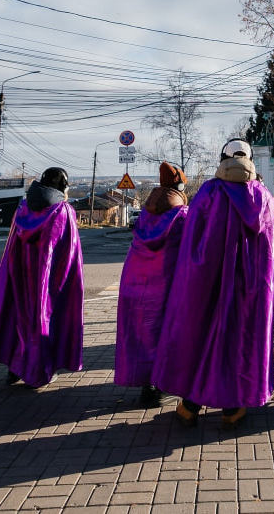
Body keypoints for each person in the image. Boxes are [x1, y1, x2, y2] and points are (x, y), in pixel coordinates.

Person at [152, 140, 274, 429]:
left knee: (201, 337)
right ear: (250, 160)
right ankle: (232, 408)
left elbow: (191, 242)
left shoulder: (209, 193)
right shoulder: (263, 198)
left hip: (205, 284)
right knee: (240, 342)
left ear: (222, 159)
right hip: (250, 289)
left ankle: (190, 405)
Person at [0, 167, 84, 388]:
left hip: (19, 274)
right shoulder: (62, 210)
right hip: (48, 280)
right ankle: (37, 370)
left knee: (17, 317)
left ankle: (15, 368)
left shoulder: (22, 207)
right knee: (43, 320)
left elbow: (13, 245)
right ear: (62, 188)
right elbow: (69, 252)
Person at [114, 161, 189, 407]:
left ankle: (146, 386)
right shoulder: (181, 216)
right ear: (179, 186)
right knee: (167, 334)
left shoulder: (145, 213)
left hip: (134, 283)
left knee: (142, 336)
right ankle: (160, 388)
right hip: (165, 288)